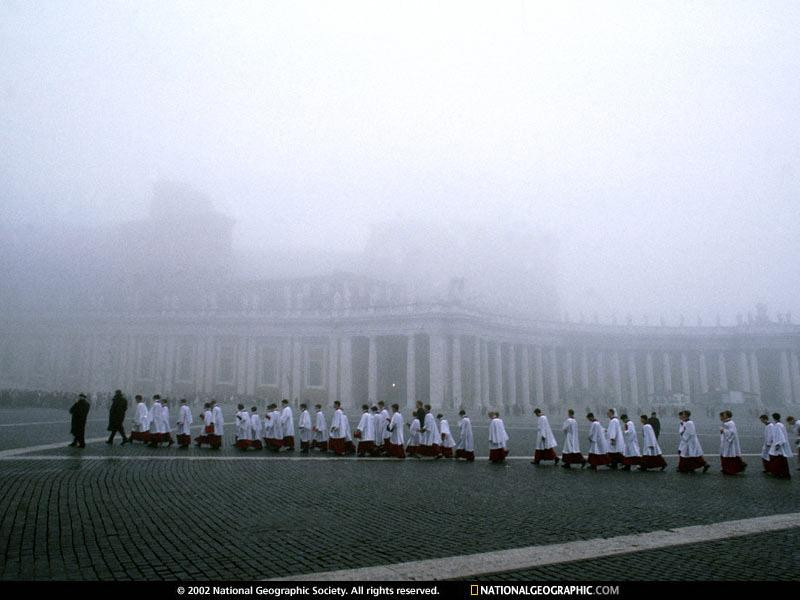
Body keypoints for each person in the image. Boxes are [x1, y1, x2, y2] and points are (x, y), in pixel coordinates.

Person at [719, 410, 746, 475]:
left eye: (724, 414)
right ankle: (726, 468)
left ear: (728, 415)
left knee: (730, 455)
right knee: (726, 454)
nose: (723, 415)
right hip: (726, 441)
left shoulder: (730, 423)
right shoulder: (726, 422)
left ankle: (731, 469)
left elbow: (732, 433)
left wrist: (723, 430)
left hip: (730, 442)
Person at [767, 413, 792, 479]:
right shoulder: (781, 424)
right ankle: (783, 473)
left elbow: (780, 436)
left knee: (777, 459)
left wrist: (778, 444)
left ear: (774, 418)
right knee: (782, 459)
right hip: (780, 444)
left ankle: (778, 473)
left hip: (779, 445)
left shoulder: (777, 425)